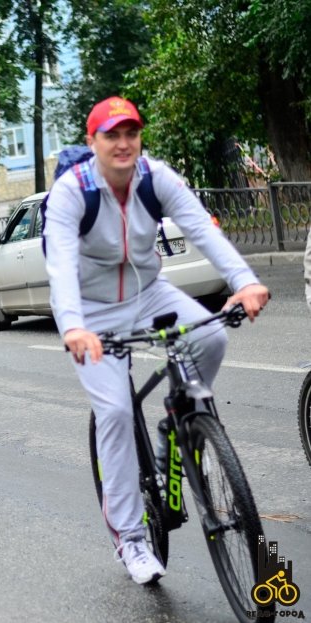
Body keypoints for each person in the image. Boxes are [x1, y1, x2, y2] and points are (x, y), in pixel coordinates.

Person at [42, 96, 270, 586]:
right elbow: (60, 266)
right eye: (111, 135)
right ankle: (132, 538)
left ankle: (181, 420)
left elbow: (201, 230)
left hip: (149, 292)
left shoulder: (154, 176)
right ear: (93, 142)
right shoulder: (70, 193)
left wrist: (244, 280)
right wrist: (74, 327)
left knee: (210, 338)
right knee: (118, 413)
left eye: (131, 133)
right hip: (93, 309)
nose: (123, 144)